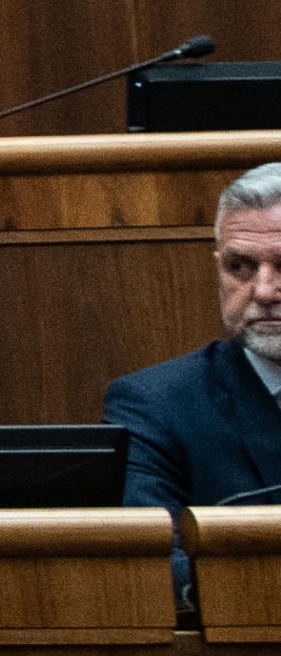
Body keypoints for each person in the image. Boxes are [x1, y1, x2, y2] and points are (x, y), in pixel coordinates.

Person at [102, 157, 281, 508]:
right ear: (218, 270)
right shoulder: (156, 405)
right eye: (239, 267)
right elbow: (159, 555)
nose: (263, 291)